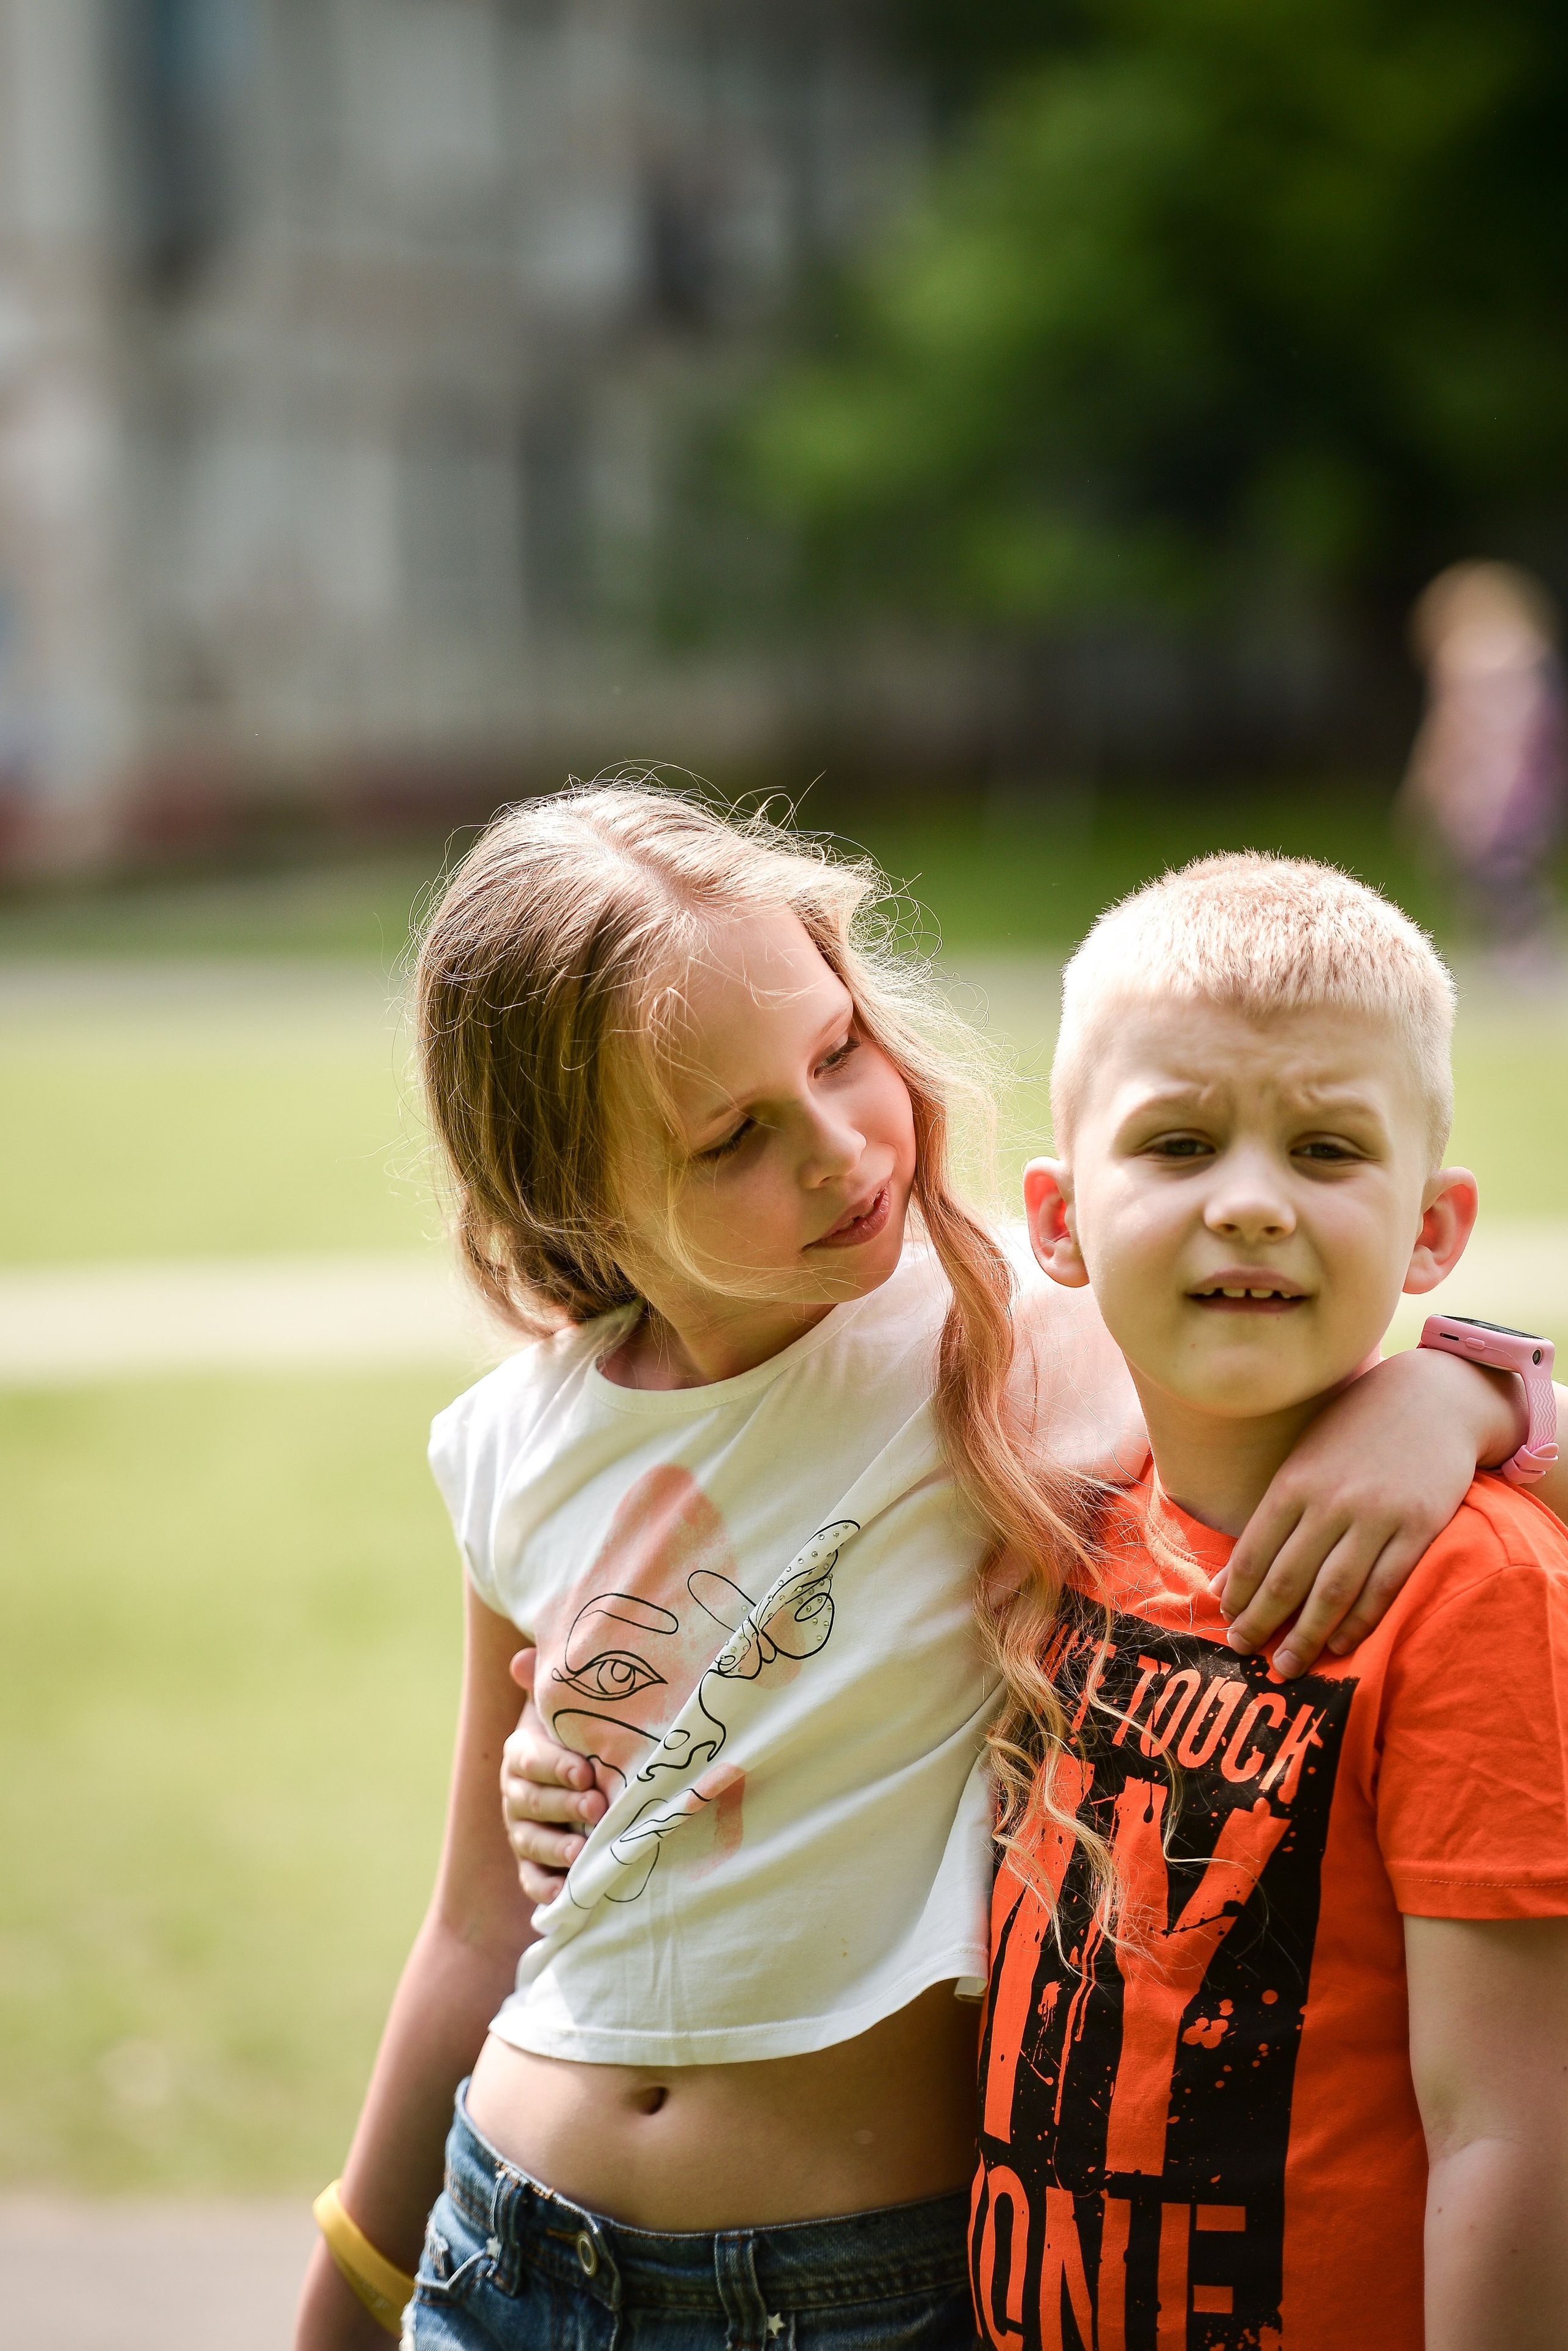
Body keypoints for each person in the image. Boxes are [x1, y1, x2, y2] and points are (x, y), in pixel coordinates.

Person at [297, 787, 1549, 2351]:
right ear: (577, 1195)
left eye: (835, 1051)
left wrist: (1468, 1385)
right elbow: (478, 1926)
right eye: (732, 1133)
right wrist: (354, 2269)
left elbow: (1299, 1281)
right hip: (504, 2243)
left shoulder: (1024, 1338)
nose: (836, 1146)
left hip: (842, 2289)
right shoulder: (512, 1441)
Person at [975, 852, 1568, 2349]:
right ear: (1057, 1218)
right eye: (1176, 1143)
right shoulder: (1055, 1520)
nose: (1248, 1202)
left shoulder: (1469, 1583)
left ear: (1431, 1229)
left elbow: (1509, 2129)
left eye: (1321, 1149)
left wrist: (1482, 1388)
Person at [1401, 560, 1567, 969]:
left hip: (1481, 788)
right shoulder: (1531, 653)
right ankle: (1522, 955)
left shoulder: (1462, 654)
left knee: (1486, 873)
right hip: (1528, 784)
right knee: (1509, 869)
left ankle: (1524, 958)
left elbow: (1448, 733)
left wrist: (1424, 786)